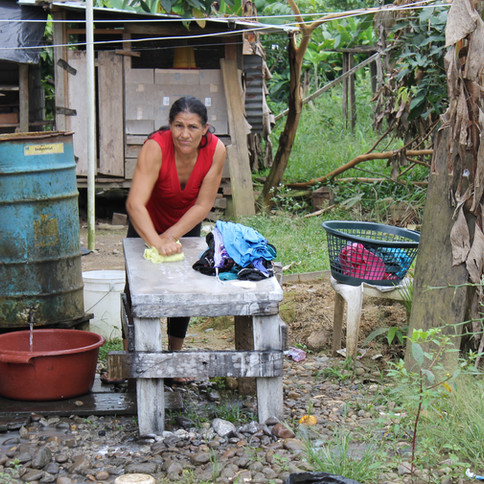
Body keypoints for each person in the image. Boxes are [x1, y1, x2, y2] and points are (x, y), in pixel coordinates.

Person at [125, 96, 226, 382]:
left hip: (185, 222)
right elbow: (134, 204)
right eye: (178, 125)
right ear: (169, 125)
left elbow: (203, 204)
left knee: (183, 286)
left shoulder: (216, 151)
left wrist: (171, 236)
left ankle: (174, 360)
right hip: (146, 221)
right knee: (137, 288)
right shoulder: (155, 147)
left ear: (205, 129)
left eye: (193, 127)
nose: (184, 134)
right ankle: (130, 361)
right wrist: (156, 242)